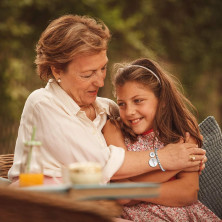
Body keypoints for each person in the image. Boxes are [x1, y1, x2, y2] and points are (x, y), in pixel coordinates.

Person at [8, 14, 206, 187]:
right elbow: (102, 166)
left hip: (95, 207)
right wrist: (166, 158)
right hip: (43, 205)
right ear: (57, 70)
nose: (101, 81)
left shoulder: (107, 109)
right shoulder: (42, 103)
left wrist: (188, 155)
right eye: (87, 74)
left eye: (103, 68)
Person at [102, 58, 220, 221]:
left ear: (162, 101)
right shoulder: (114, 128)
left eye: (138, 101)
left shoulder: (182, 128)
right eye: (121, 103)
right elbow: (120, 187)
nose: (129, 111)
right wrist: (174, 167)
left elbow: (188, 192)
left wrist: (132, 190)